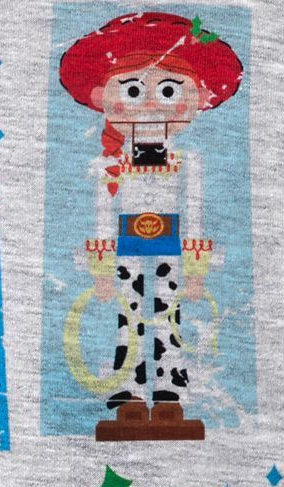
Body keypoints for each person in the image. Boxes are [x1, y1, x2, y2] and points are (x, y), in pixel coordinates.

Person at [59, 12, 242, 440]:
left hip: (172, 248)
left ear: (196, 97)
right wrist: (101, 265)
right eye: (134, 90)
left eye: (168, 90)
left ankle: (169, 395)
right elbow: (104, 212)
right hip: (125, 247)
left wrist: (196, 267)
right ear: (105, 96)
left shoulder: (186, 163)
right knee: (128, 318)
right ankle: (128, 394)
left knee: (168, 318)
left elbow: (194, 210)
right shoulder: (111, 162)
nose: (151, 105)